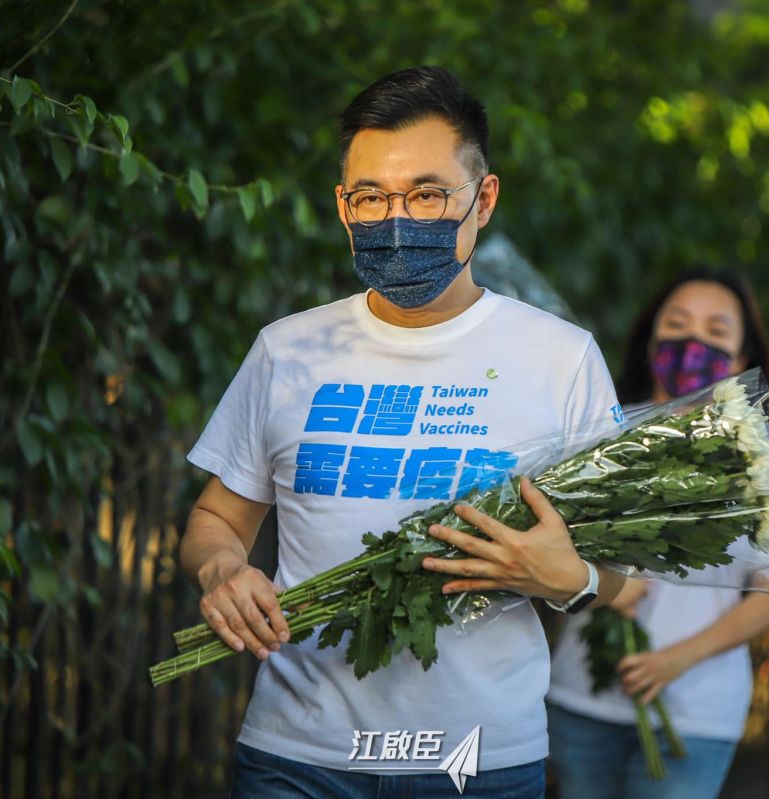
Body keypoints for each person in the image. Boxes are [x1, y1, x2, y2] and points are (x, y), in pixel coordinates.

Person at [178, 66, 628, 799]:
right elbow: (216, 518)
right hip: (296, 753)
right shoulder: (286, 350)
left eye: (425, 193)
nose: (397, 218)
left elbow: (621, 572)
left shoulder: (560, 358)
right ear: (342, 206)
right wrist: (222, 569)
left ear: (482, 199)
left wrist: (569, 579)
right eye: (371, 197)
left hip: (478, 762)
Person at [546, 266, 769, 799]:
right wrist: (600, 584)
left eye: (716, 332)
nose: (693, 341)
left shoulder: (765, 459)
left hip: (697, 714)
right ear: (651, 339)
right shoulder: (600, 432)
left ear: (742, 359)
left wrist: (676, 659)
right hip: (582, 698)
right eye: (677, 324)